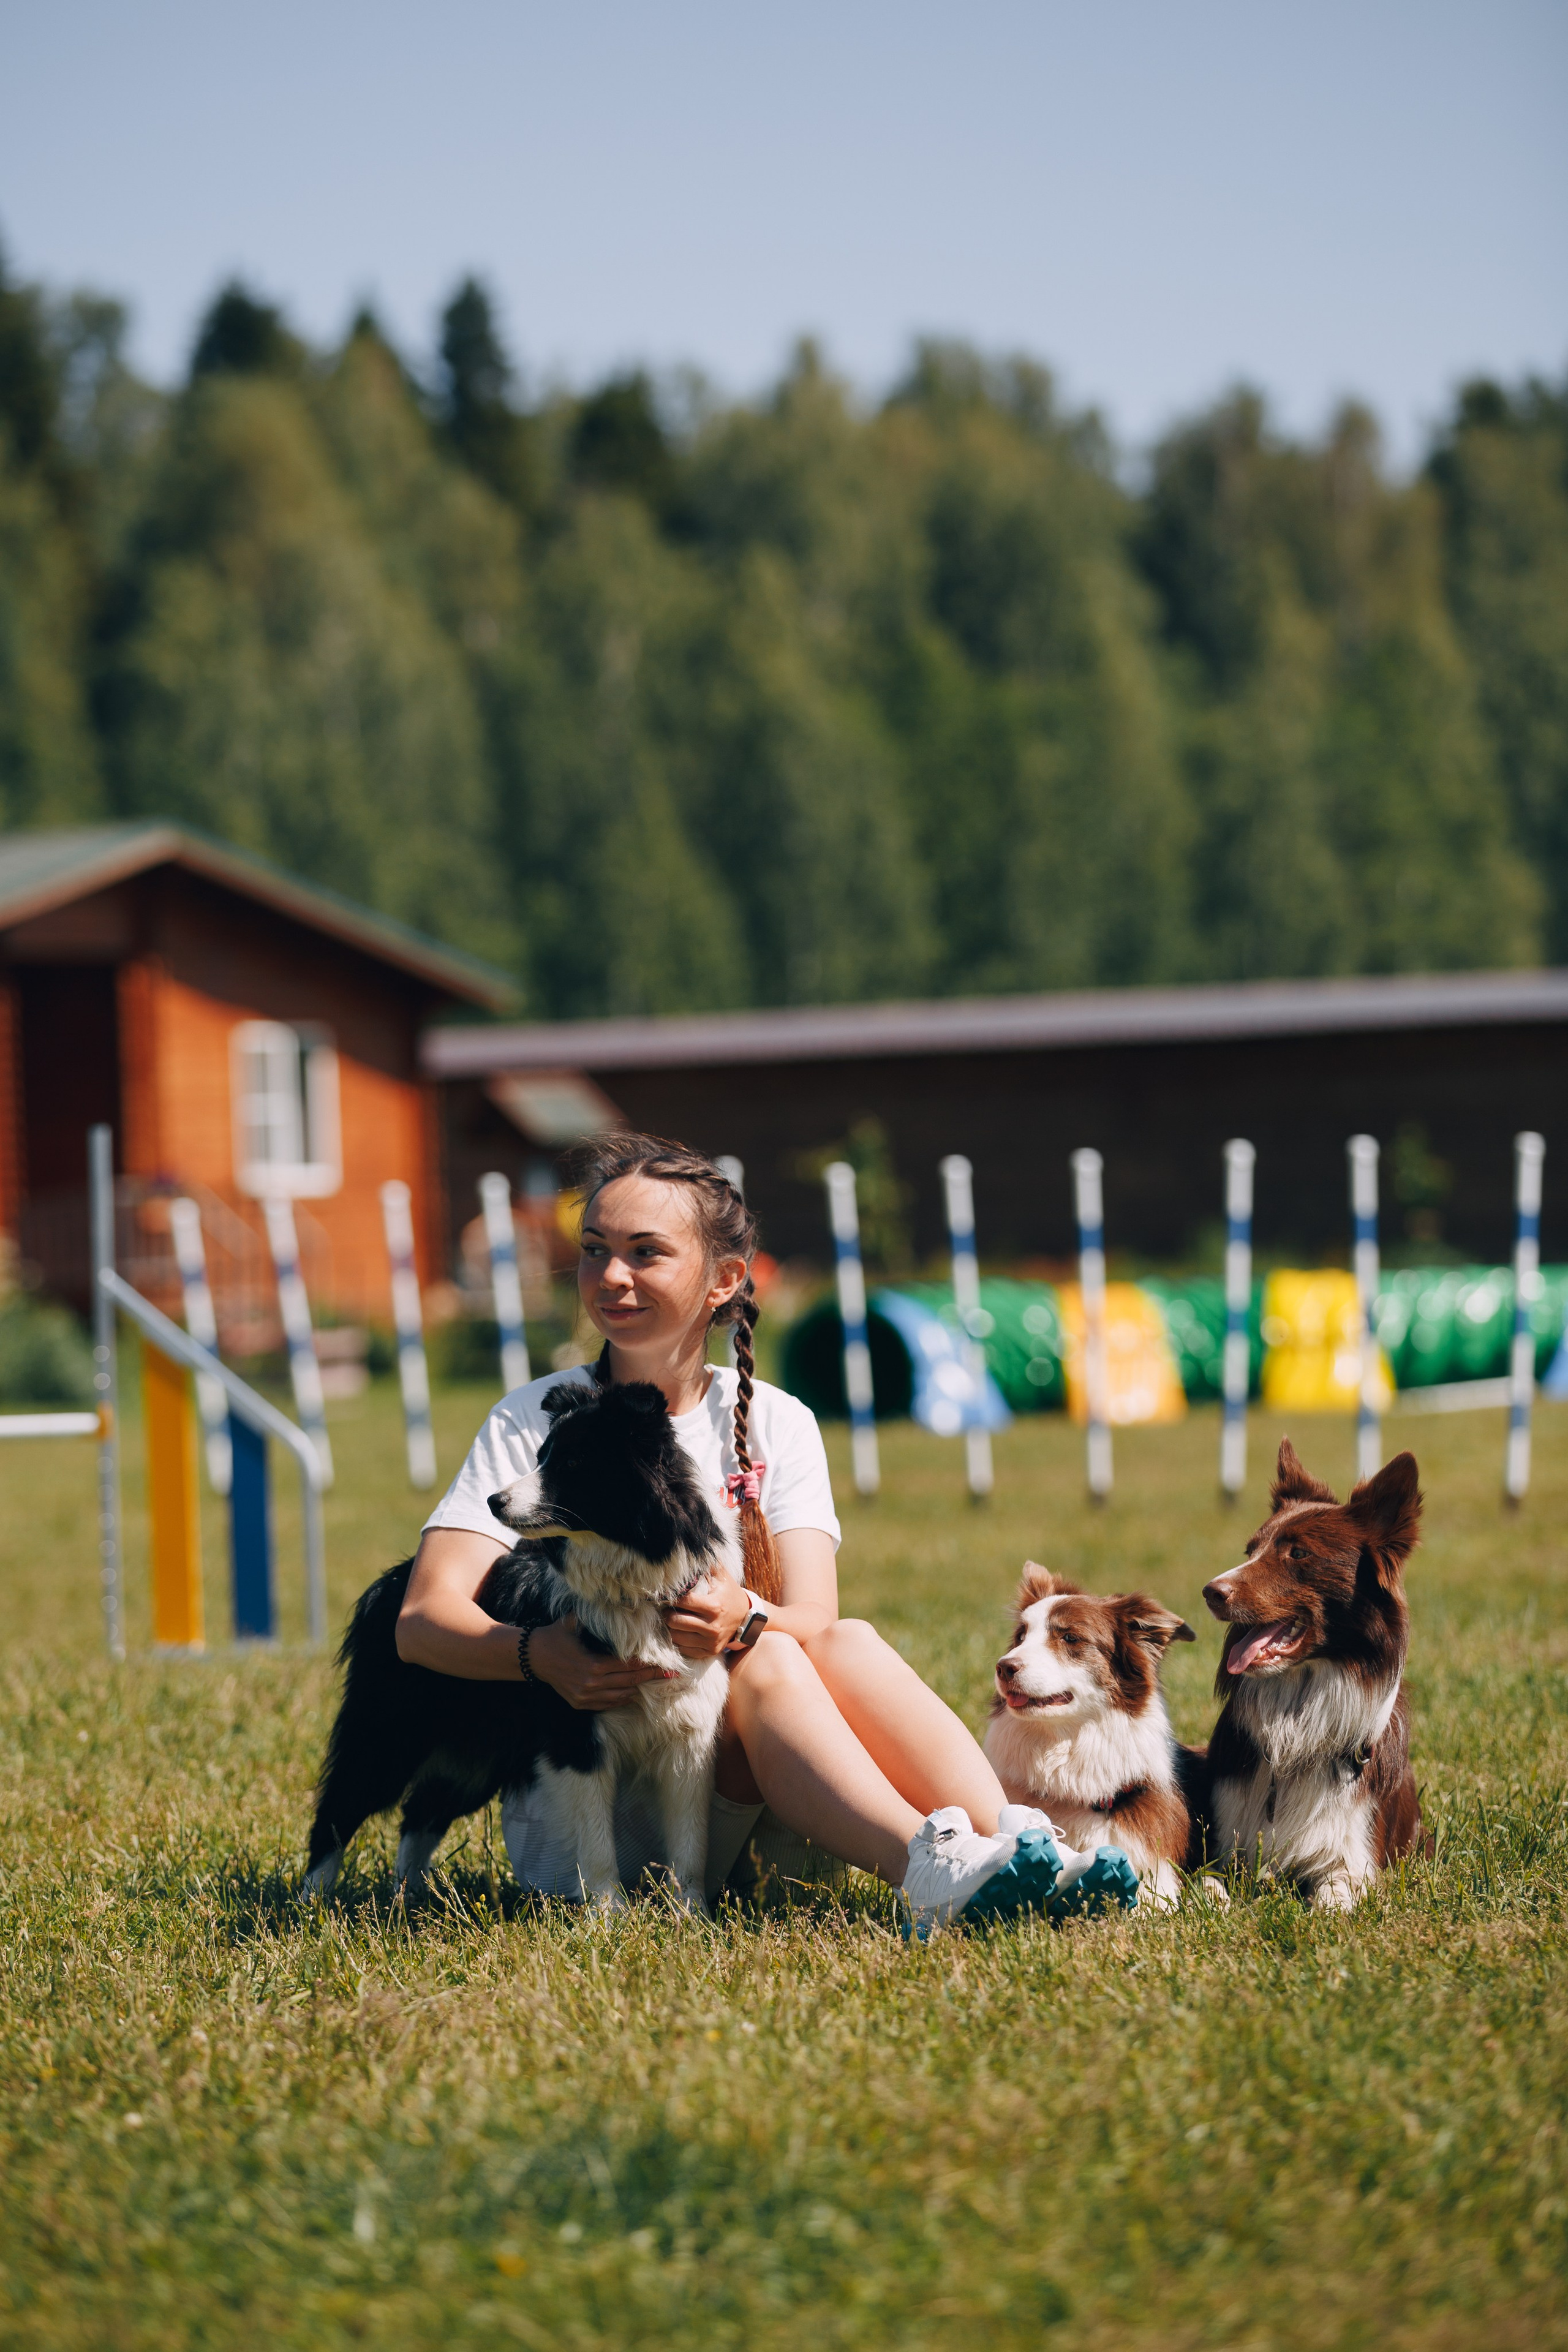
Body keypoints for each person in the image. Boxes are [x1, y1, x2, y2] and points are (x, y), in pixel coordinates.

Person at [396, 1133, 1135, 1934]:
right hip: (597, 1818)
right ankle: (925, 1871)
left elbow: (814, 1616)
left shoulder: (778, 1422)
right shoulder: (532, 1418)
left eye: (646, 1253)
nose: (611, 1276)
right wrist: (538, 1655)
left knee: (831, 1639)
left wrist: (741, 1614)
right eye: (595, 1251)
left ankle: (1020, 1847)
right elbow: (420, 1622)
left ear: (725, 1281)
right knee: (773, 1648)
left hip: (742, 1798)